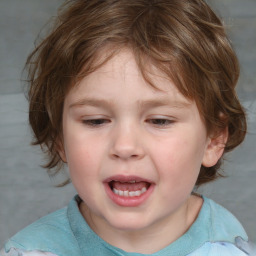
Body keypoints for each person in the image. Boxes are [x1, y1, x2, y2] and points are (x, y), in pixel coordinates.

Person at [1, 0, 255, 255]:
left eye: (159, 120)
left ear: (213, 140)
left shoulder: (229, 245)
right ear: (59, 138)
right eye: (95, 120)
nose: (124, 146)